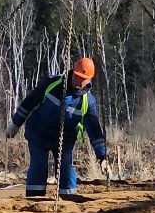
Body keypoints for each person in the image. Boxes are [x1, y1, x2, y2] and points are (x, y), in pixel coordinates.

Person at [7, 56, 108, 197]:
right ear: (72, 71)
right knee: (38, 166)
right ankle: (34, 201)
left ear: (89, 80)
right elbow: (30, 101)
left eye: (82, 79)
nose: (78, 81)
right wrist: (15, 123)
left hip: (65, 138)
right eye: (77, 76)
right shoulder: (53, 83)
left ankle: (68, 200)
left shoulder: (87, 101)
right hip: (39, 132)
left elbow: (95, 131)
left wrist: (102, 157)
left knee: (66, 170)